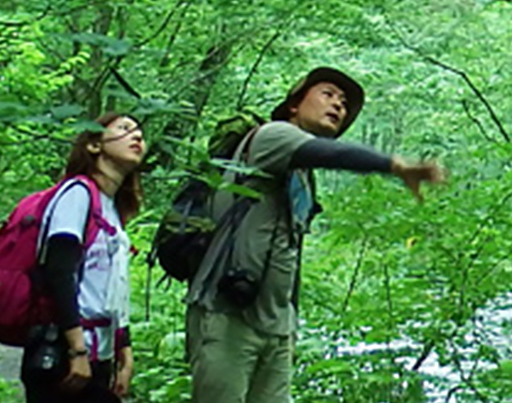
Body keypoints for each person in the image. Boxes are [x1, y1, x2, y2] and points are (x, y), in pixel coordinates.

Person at [186, 67, 448, 403]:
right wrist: (395, 165)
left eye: (343, 103)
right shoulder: (272, 136)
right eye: (328, 94)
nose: (338, 105)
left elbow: (287, 249)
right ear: (294, 104)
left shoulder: (302, 175)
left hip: (276, 327)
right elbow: (332, 154)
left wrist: (289, 324)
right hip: (226, 316)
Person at [27, 113, 148, 402]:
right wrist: (77, 349)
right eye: (124, 129)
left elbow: (111, 290)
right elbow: (59, 271)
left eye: (140, 133)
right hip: (64, 355)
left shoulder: (111, 210)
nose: (138, 137)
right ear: (94, 146)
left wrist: (124, 351)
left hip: (98, 356)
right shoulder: (77, 194)